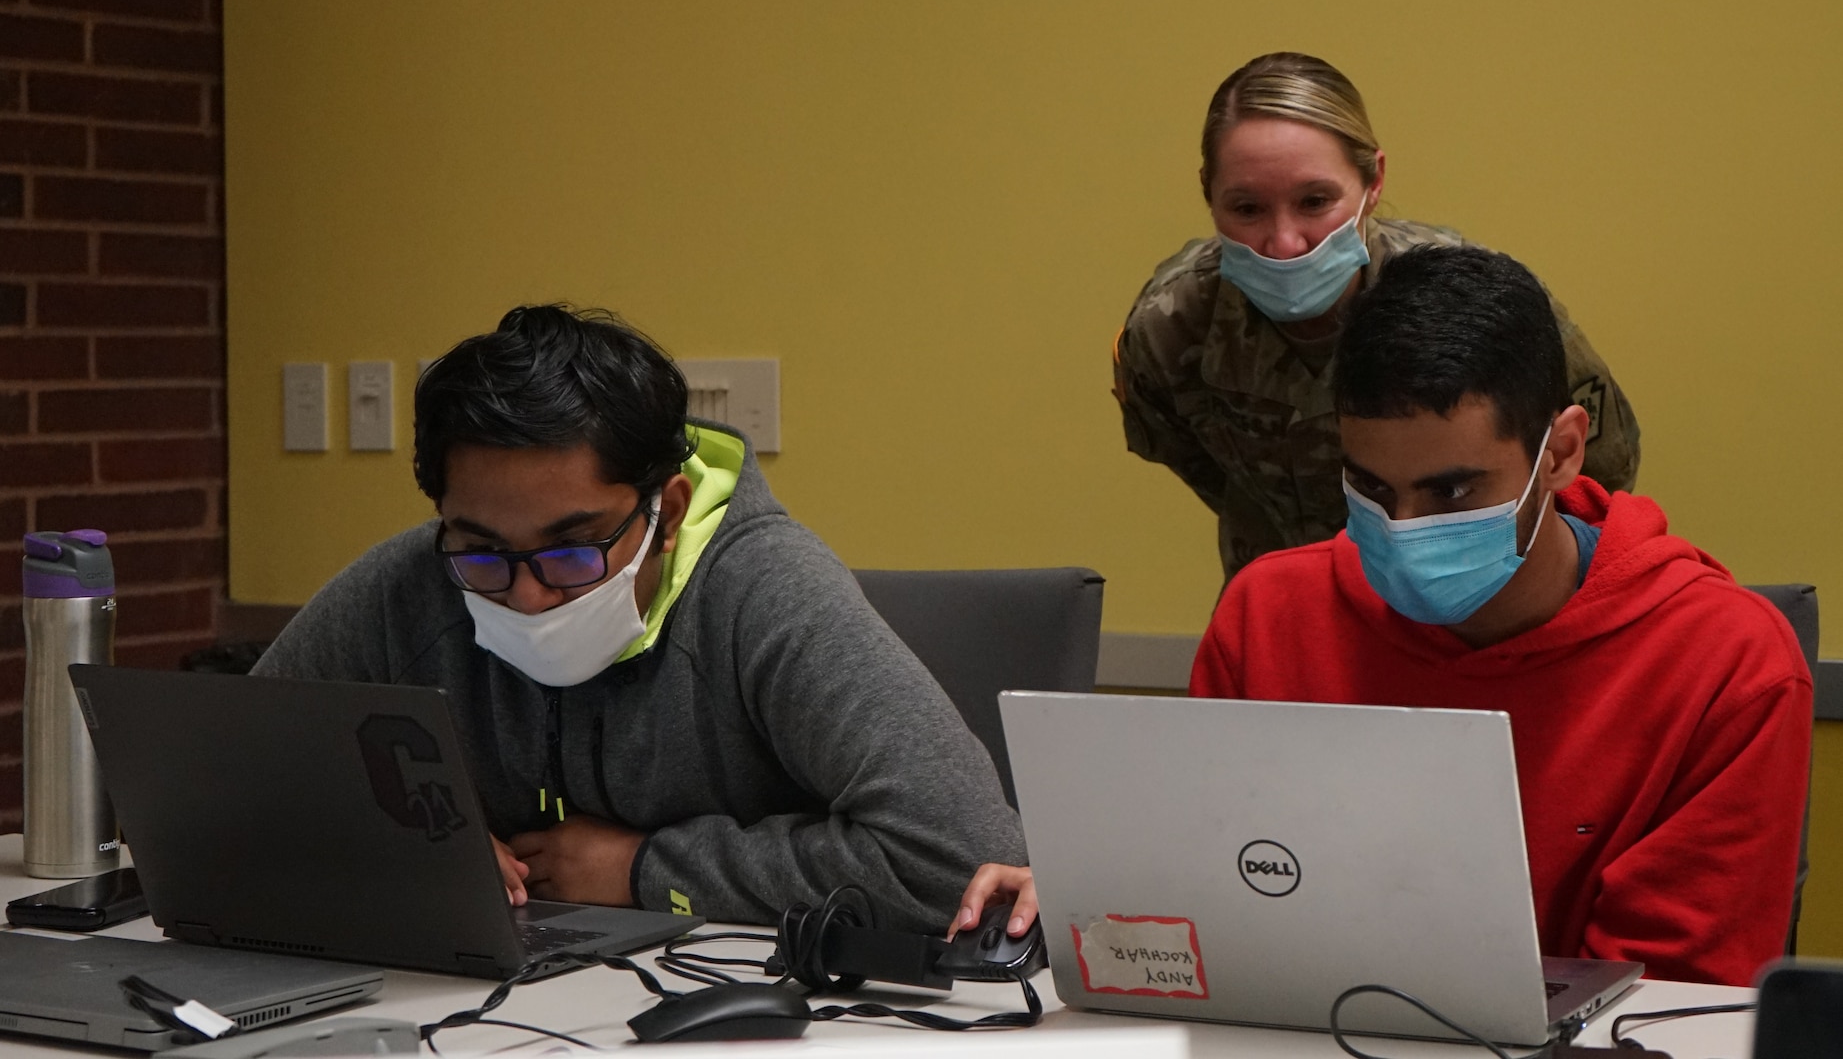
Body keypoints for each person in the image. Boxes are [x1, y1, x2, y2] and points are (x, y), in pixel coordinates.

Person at [958, 246, 1809, 987]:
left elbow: (1673, 1000)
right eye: (1368, 487)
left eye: (1450, 491)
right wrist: (1090, 900)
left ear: (1561, 450)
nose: (1401, 531)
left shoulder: (1726, 662)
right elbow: (1215, 908)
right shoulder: (1268, 613)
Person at [255, 305, 1024, 933]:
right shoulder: (410, 583)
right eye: (484, 552)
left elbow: (958, 861)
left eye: (572, 549)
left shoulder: (767, 593)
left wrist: (648, 870)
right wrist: (385, 846)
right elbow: (214, 782)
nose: (526, 596)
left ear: (668, 510)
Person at [1115, 51, 1642, 581]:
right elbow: (1200, 466)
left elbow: (1601, 466)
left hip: (1461, 600)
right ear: (1208, 192)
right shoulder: (1171, 327)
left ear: (1373, 183)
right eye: (1247, 208)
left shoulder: (1473, 308)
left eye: (1315, 201)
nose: (1284, 242)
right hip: (1288, 596)